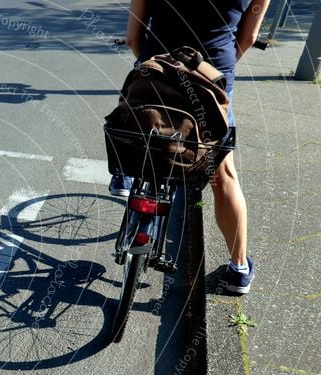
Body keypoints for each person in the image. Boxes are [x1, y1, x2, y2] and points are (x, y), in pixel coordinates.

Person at [111, 0, 270, 294]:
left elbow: (134, 37)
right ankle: (238, 270)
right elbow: (247, 38)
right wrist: (212, 72)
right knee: (223, 177)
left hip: (155, 66)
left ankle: (123, 171)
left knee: (132, 117)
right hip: (211, 81)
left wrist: (153, 63)